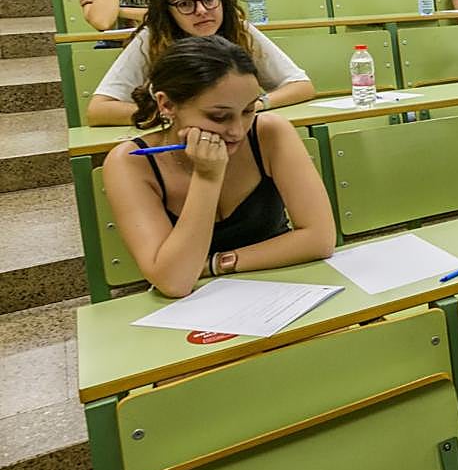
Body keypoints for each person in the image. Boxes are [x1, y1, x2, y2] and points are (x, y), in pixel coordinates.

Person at [101, 35, 334, 298]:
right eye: (218, 116)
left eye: (248, 110)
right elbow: (174, 281)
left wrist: (215, 264)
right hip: (190, 306)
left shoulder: (270, 132)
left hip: (283, 287)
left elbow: (320, 239)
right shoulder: (131, 162)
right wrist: (208, 177)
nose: (236, 131)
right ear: (166, 105)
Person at [87, 0, 315, 126]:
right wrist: (179, 114)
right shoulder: (152, 37)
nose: (202, 11)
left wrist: (254, 105)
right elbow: (98, 110)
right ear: (167, 11)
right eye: (185, 3)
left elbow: (301, 86)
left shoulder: (239, 29)